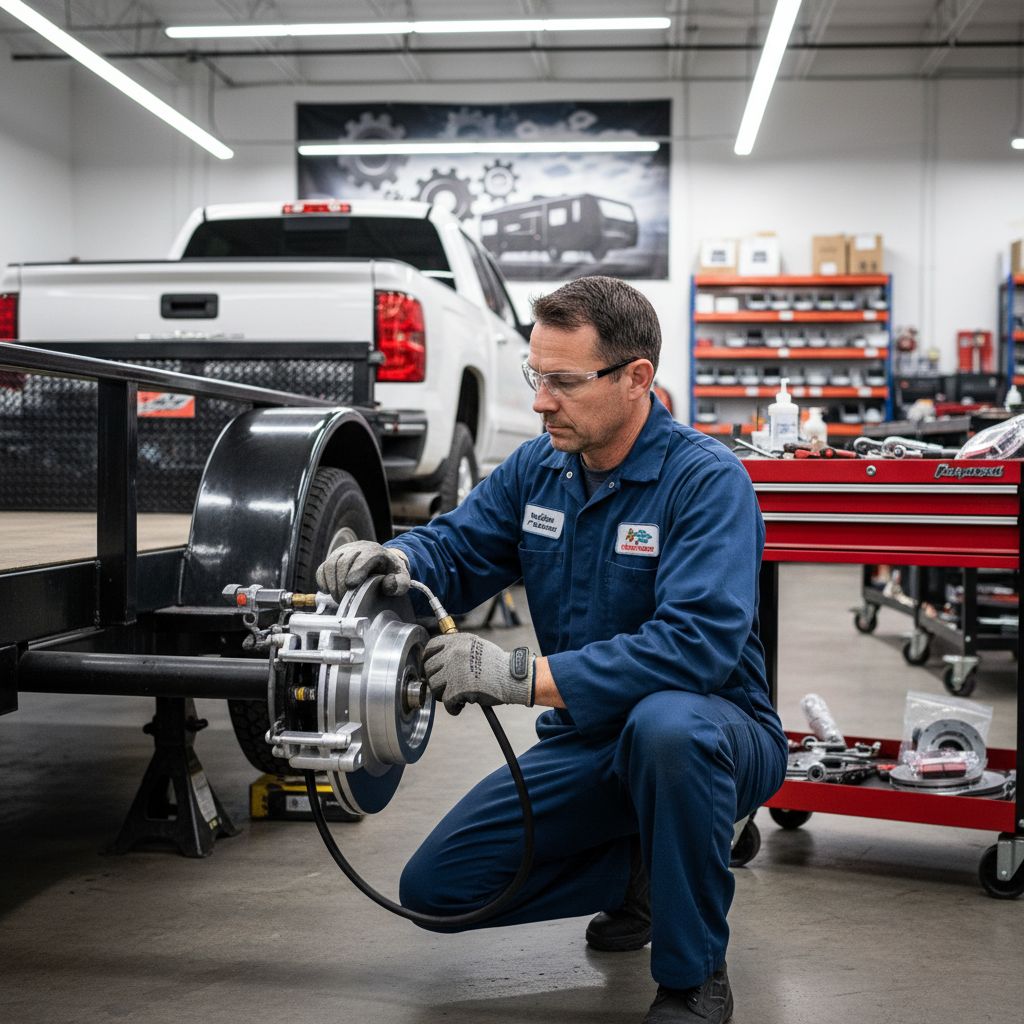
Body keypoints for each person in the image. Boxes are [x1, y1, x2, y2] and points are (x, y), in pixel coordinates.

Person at [316, 276, 788, 1024]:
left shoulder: (705, 481)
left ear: (637, 379)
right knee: (438, 890)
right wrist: (397, 561)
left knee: (666, 727)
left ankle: (692, 974)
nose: (541, 402)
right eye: (539, 378)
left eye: (564, 382)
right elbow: (460, 546)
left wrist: (515, 675)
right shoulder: (543, 469)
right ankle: (648, 870)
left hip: (715, 733)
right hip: (589, 738)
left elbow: (694, 647)